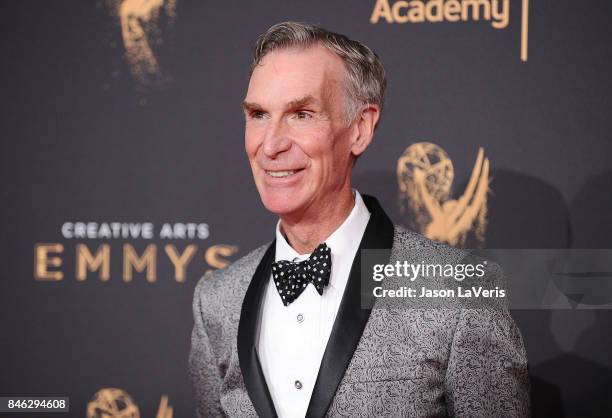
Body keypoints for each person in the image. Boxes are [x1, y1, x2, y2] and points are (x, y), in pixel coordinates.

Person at [189, 21, 529, 418]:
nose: (271, 144)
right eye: (259, 114)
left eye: (301, 114)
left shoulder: (455, 292)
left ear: (360, 129)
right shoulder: (216, 300)